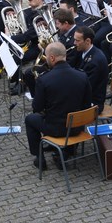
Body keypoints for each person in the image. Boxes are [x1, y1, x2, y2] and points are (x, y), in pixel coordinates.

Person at [24, 42, 92, 170]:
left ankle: (40, 159)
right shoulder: (82, 75)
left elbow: (37, 108)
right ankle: (65, 153)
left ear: (52, 58)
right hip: (77, 127)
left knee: (30, 119)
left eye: (46, 56)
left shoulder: (43, 80)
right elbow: (86, 104)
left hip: (56, 129)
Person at [73, 27, 109, 113]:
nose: (74, 43)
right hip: (86, 97)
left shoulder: (94, 61)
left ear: (88, 41)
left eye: (77, 40)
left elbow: (86, 88)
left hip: (93, 104)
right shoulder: (85, 51)